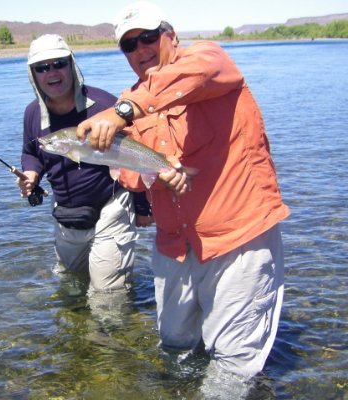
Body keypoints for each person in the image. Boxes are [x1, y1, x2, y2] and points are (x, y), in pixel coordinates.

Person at [76, 1, 290, 382]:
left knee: (232, 362)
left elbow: (195, 73)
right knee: (175, 345)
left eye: (148, 38)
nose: (141, 50)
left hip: (237, 238)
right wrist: (155, 174)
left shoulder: (209, 61)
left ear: (170, 35)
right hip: (174, 245)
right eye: (129, 45)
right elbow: (128, 173)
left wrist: (122, 111)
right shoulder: (134, 96)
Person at [18, 34, 150, 292]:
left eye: (59, 63)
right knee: (71, 284)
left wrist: (144, 205)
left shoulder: (105, 104)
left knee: (106, 293)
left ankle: (108, 331)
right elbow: (31, 152)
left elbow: (139, 150)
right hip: (67, 212)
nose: (52, 72)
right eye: (42, 67)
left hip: (111, 205)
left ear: (72, 65)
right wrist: (31, 174)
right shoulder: (32, 113)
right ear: (33, 74)